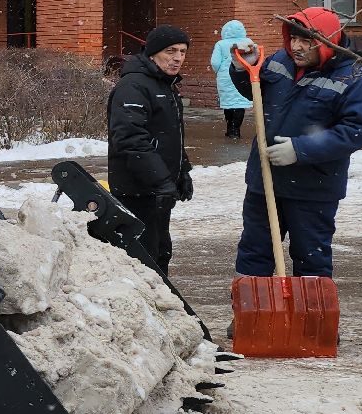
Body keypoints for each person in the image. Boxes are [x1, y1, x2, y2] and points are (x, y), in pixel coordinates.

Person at [230, 7, 362, 281]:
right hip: (265, 180)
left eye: (306, 41)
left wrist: (300, 150)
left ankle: (310, 321)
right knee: (253, 253)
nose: (296, 47)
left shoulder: (354, 78)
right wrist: (243, 68)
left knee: (311, 258)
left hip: (313, 188)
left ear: (326, 41)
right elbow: (254, 89)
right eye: (293, 39)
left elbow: (356, 131)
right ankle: (251, 319)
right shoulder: (279, 61)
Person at [107, 25, 193, 276]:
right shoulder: (134, 87)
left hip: (157, 190)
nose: (178, 58)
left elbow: (169, 136)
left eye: (182, 52)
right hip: (137, 190)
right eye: (170, 51)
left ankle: (158, 306)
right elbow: (130, 139)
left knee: (161, 252)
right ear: (153, 53)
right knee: (144, 259)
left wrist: (181, 172)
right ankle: (145, 309)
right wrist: (160, 181)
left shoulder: (165, 85)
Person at [210, 20, 254, 138]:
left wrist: (218, 71)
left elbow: (215, 62)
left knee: (228, 103)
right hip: (243, 74)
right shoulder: (248, 42)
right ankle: (236, 129)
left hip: (226, 77)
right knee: (239, 103)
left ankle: (230, 128)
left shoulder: (221, 44)